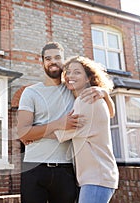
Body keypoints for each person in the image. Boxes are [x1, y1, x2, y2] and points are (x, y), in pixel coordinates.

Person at [17, 42, 115, 203]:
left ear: (64, 62)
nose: (52, 61)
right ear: (42, 62)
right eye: (48, 58)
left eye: (57, 57)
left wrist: (105, 93)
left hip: (66, 168)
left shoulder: (75, 90)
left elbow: (108, 115)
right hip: (34, 166)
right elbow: (22, 132)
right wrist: (57, 124)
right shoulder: (31, 92)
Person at [55, 56, 119, 203]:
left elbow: (62, 134)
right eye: (68, 72)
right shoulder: (95, 97)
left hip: (97, 178)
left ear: (88, 78)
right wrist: (107, 96)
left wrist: (32, 132)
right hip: (98, 177)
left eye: (77, 72)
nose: (70, 76)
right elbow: (110, 114)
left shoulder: (85, 100)